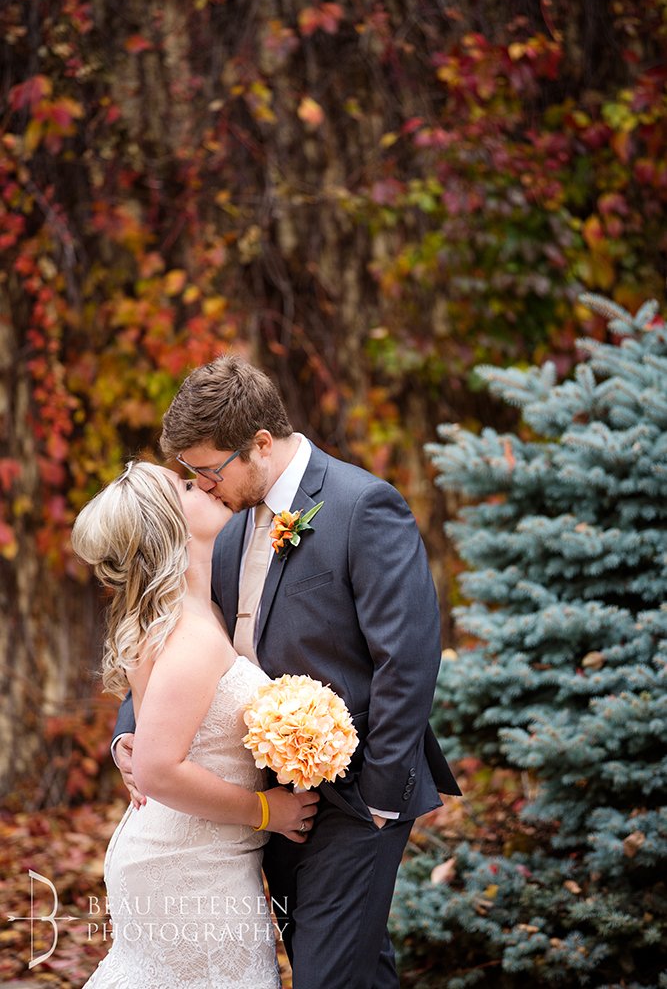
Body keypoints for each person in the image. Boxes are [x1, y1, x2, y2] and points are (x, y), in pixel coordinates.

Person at [113, 356, 461, 989]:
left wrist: (379, 800)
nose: (202, 486)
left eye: (210, 469)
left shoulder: (362, 506)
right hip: (261, 801)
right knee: (350, 968)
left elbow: (407, 659)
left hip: (353, 798)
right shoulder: (223, 527)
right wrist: (129, 733)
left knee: (327, 975)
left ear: (261, 444)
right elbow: (181, 638)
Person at [72, 461, 317, 988]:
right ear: (171, 527)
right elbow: (159, 770)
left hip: (195, 854)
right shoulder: (191, 636)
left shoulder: (195, 613)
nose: (204, 482)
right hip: (188, 867)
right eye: (186, 485)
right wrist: (265, 810)